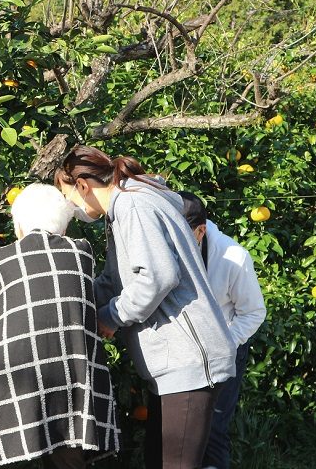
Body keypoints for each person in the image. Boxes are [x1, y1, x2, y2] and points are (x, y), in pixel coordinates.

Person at [54, 145, 236, 469]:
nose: (73, 208)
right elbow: (113, 281)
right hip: (174, 363)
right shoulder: (124, 208)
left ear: (82, 186)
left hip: (189, 360)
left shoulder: (133, 204)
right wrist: (71, 298)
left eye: (68, 197)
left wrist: (111, 316)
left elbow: (158, 277)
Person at [0, 183, 120, 469]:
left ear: (19, 226)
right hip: (72, 376)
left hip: (14, 380)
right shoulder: (82, 253)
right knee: (68, 450)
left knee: (13, 456)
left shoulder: (1, 258)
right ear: (63, 227)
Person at [178, 192, 266, 469]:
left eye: (179, 237)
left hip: (226, 349)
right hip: (183, 352)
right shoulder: (170, 248)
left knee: (213, 426)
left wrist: (222, 343)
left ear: (200, 231)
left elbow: (253, 313)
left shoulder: (233, 258)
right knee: (180, 428)